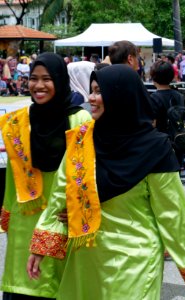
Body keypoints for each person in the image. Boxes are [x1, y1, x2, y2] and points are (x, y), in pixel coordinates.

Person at [27, 64, 185, 300]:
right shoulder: (82, 139)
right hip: (87, 256)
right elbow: (60, 193)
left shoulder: (155, 148)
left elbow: (172, 212)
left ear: (121, 96)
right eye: (91, 91)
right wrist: (41, 245)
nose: (92, 98)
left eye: (99, 91)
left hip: (135, 259)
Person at [0, 52, 90, 299]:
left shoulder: (78, 119)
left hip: (62, 222)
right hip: (24, 223)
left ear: (60, 80)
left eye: (47, 79)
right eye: (33, 78)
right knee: (23, 287)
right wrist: (7, 217)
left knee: (58, 288)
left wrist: (77, 210)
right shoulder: (17, 122)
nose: (38, 86)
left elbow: (84, 174)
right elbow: (11, 177)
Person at [149, 60, 185, 167]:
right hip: (179, 142)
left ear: (153, 78)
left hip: (161, 146)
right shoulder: (179, 96)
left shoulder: (154, 98)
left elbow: (152, 124)